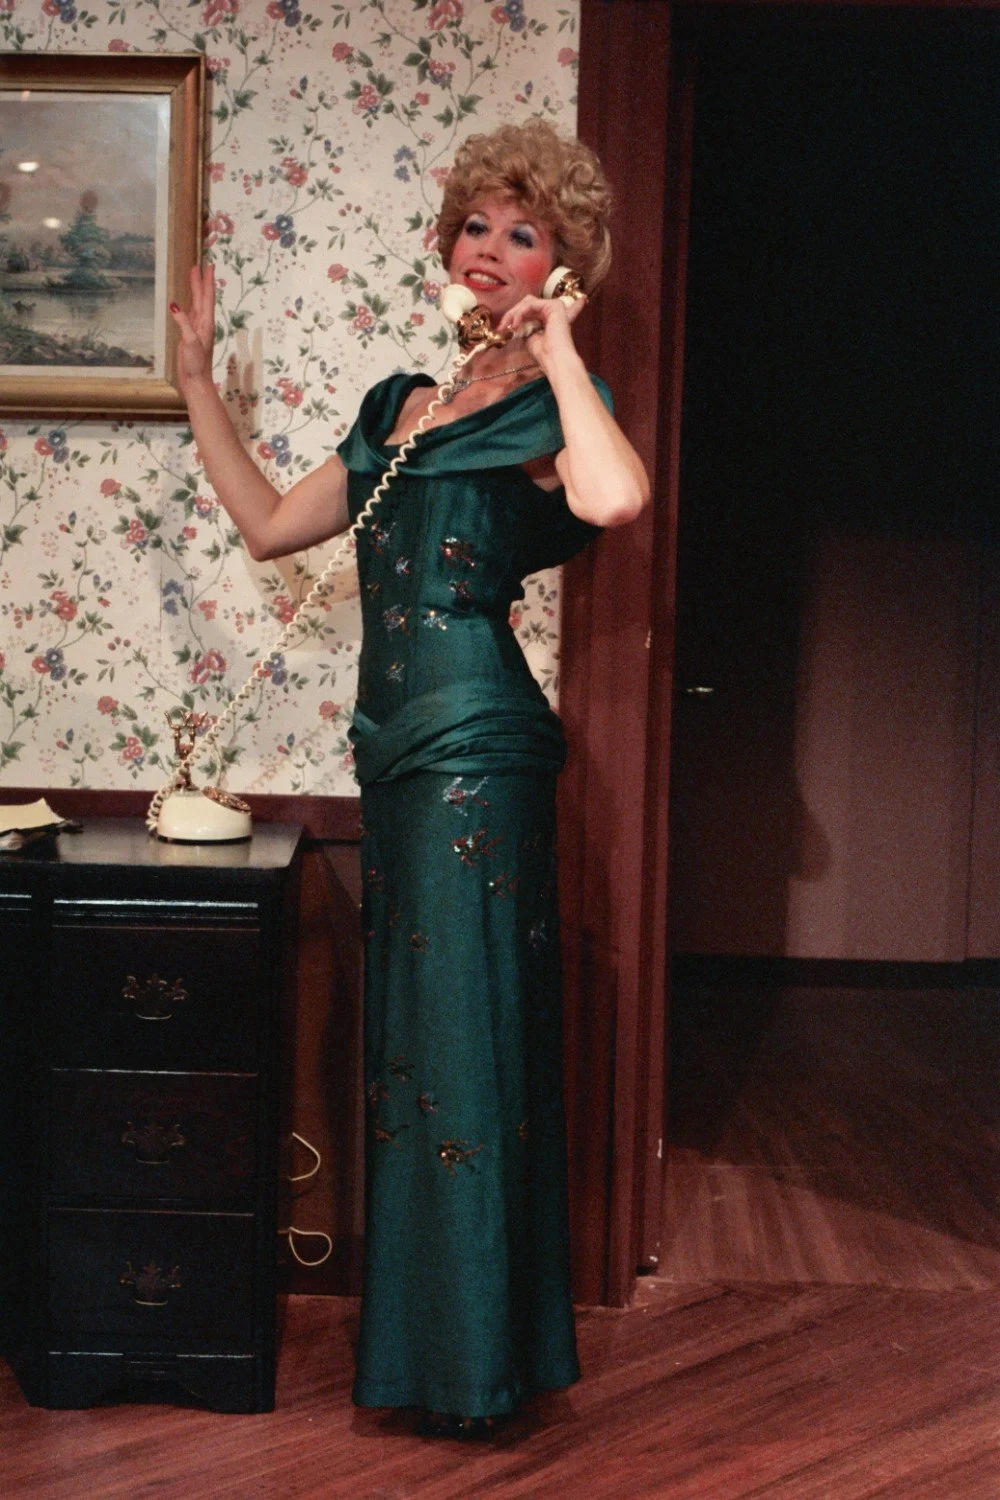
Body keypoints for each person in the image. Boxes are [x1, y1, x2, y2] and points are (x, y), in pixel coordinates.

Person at [170, 117, 649, 1438]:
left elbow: (613, 500)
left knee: (462, 1051)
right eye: (479, 227)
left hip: (473, 757)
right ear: (448, 242)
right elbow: (275, 529)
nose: (492, 250)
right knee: (414, 1063)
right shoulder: (398, 406)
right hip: (394, 760)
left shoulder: (551, 407)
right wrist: (197, 383)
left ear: (563, 267)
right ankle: (435, 1361)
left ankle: (470, 1373)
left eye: (527, 235)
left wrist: (559, 346)